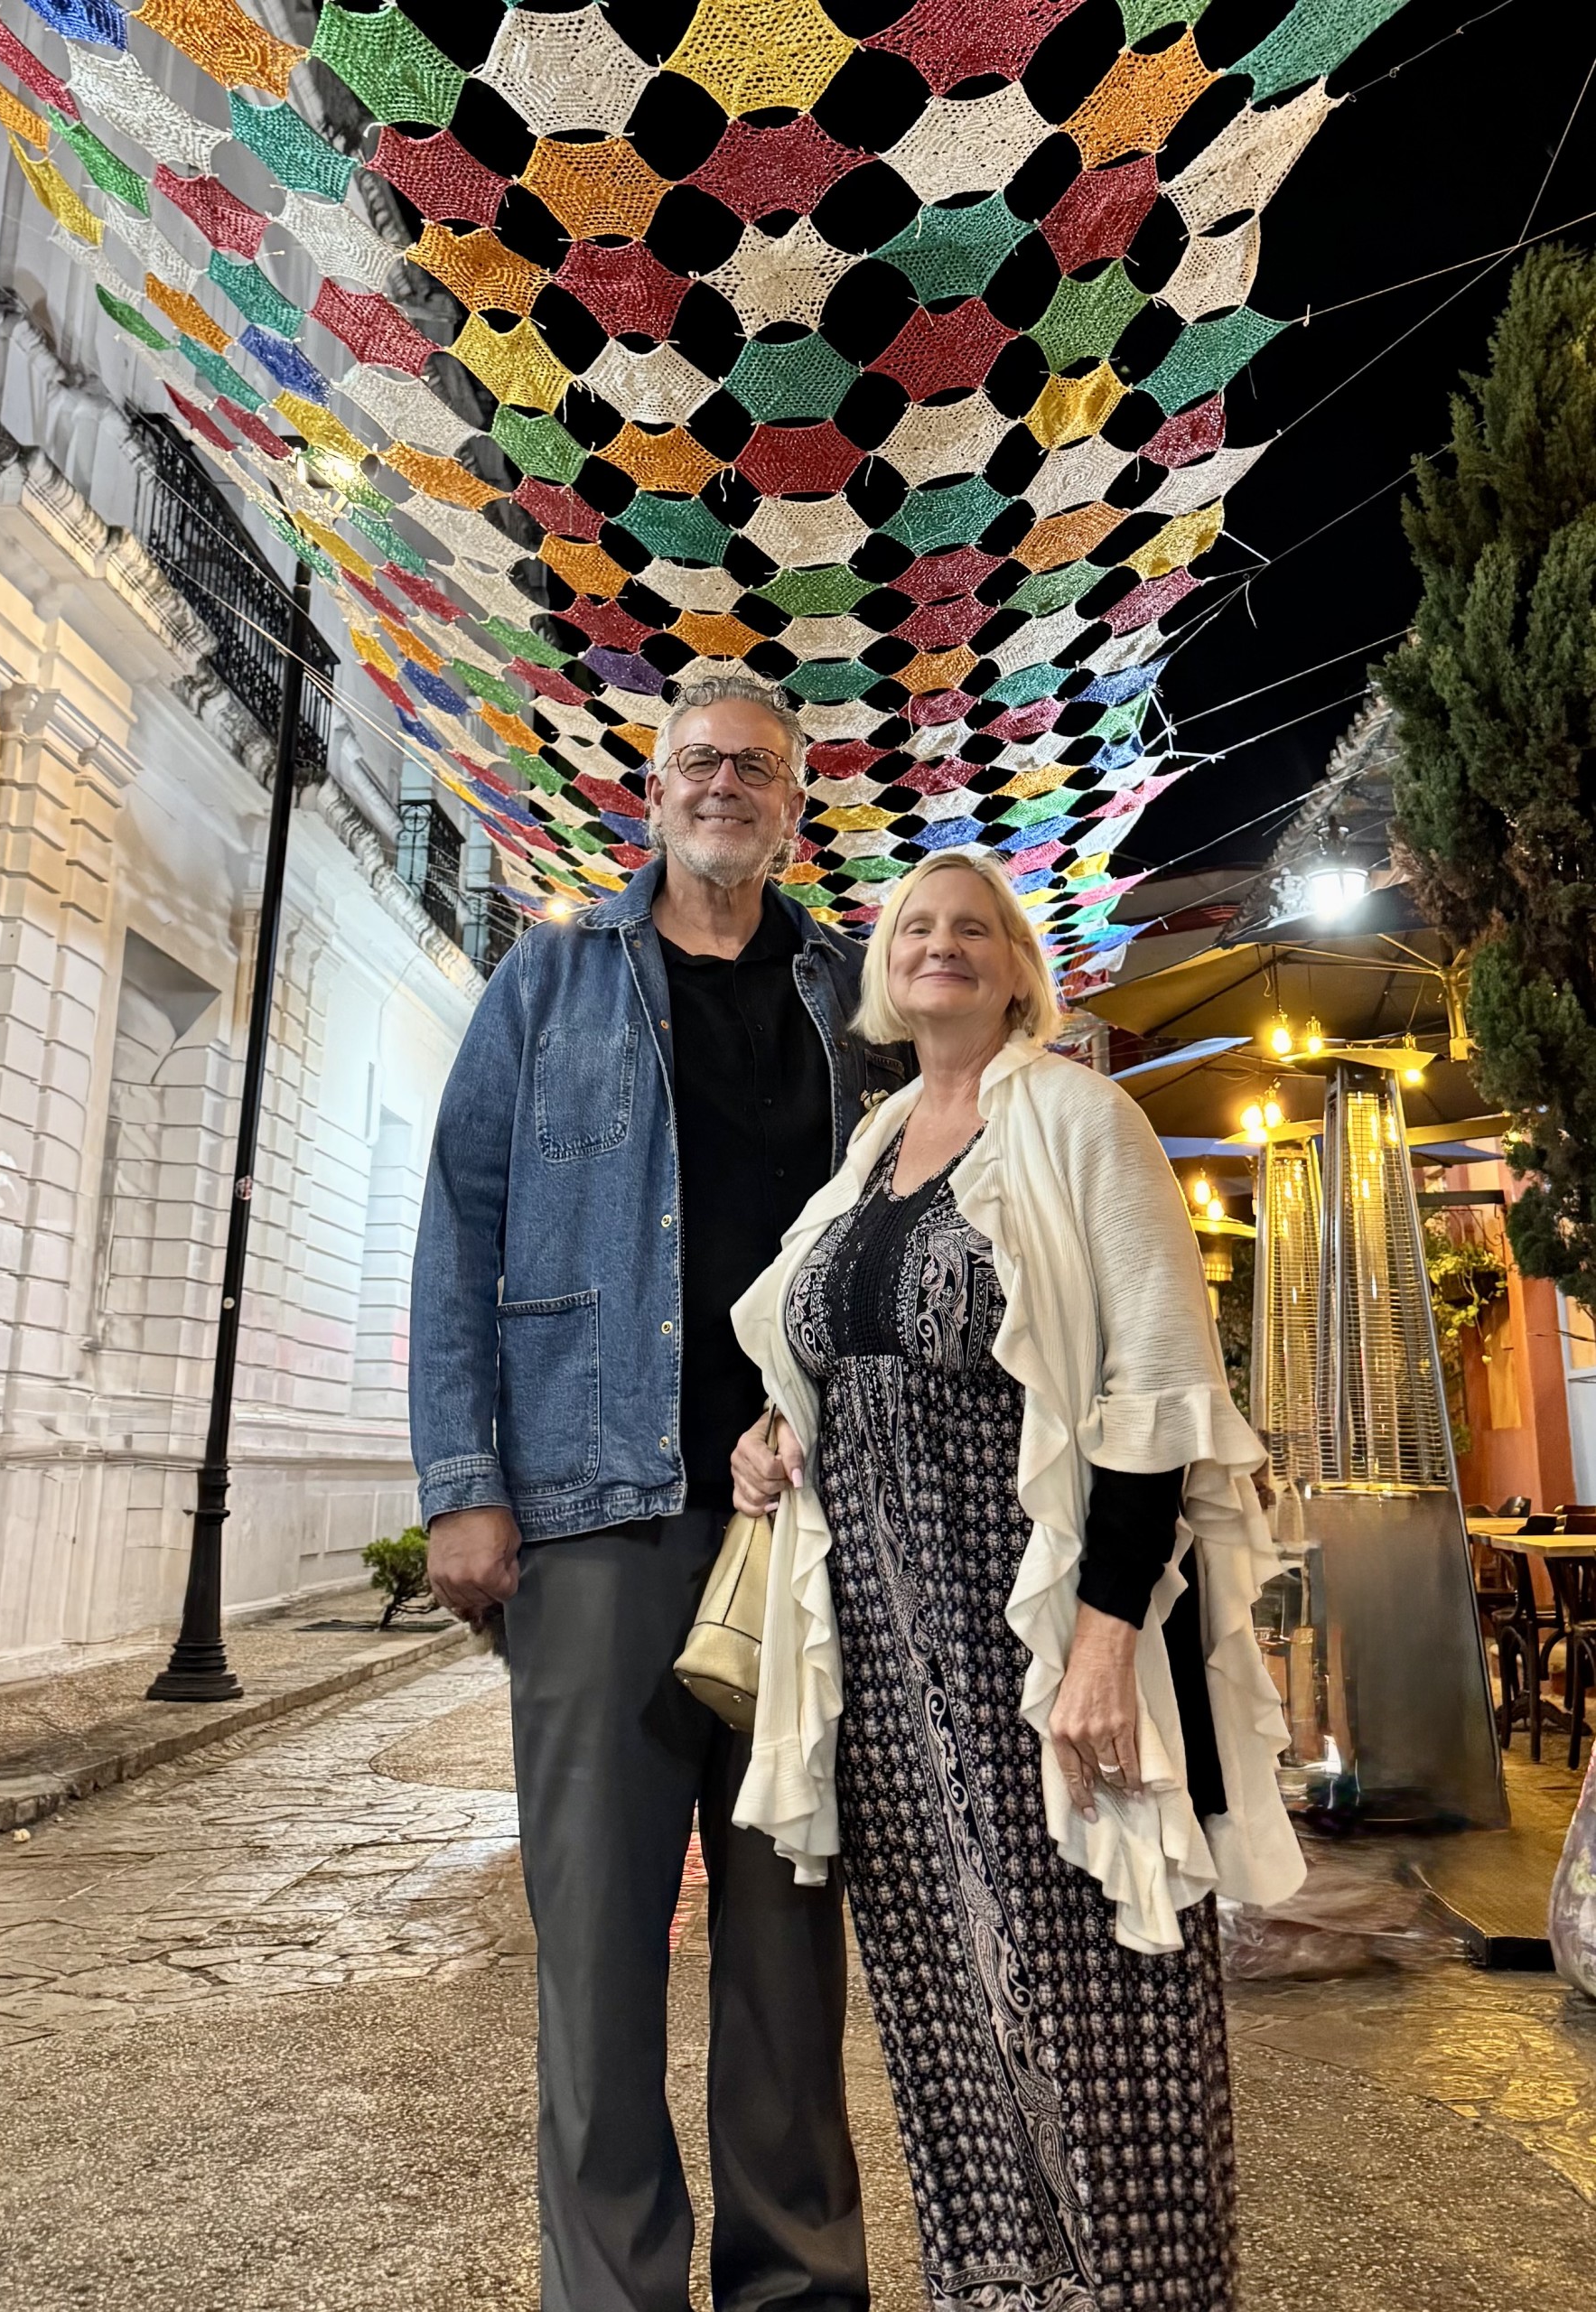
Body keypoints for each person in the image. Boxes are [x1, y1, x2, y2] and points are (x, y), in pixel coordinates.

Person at [728, 847, 1305, 2312]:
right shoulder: (868, 1149)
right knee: (941, 2010)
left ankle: (1137, 2293)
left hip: (1032, 1625)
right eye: (915, 928)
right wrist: (771, 1437)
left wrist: (1107, 1635)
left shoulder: (1076, 1119)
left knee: (1101, 1991)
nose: (940, 946)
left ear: (1016, 969)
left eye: (972, 929)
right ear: (882, 971)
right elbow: (824, 1353)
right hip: (874, 1647)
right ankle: (996, 2290)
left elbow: (1157, 1388)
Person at [409, 673, 906, 2312]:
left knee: (786, 1963)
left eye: (755, 768)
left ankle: (797, 2290)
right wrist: (465, 1484)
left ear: (793, 799)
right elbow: (461, 1235)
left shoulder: (855, 998)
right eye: (698, 761)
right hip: (594, 1517)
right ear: (654, 789)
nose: (724, 786)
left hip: (804, 1527)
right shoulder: (550, 980)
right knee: (600, 1964)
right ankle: (612, 2293)